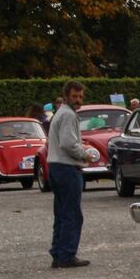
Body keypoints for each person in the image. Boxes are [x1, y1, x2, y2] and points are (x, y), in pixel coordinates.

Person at [47, 81, 94, 268]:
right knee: (72, 214)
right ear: (66, 96)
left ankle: (58, 253)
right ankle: (66, 255)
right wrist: (85, 155)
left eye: (81, 96)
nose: (78, 100)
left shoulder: (60, 113)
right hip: (66, 168)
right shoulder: (68, 115)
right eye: (75, 96)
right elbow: (67, 143)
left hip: (55, 167)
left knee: (61, 212)